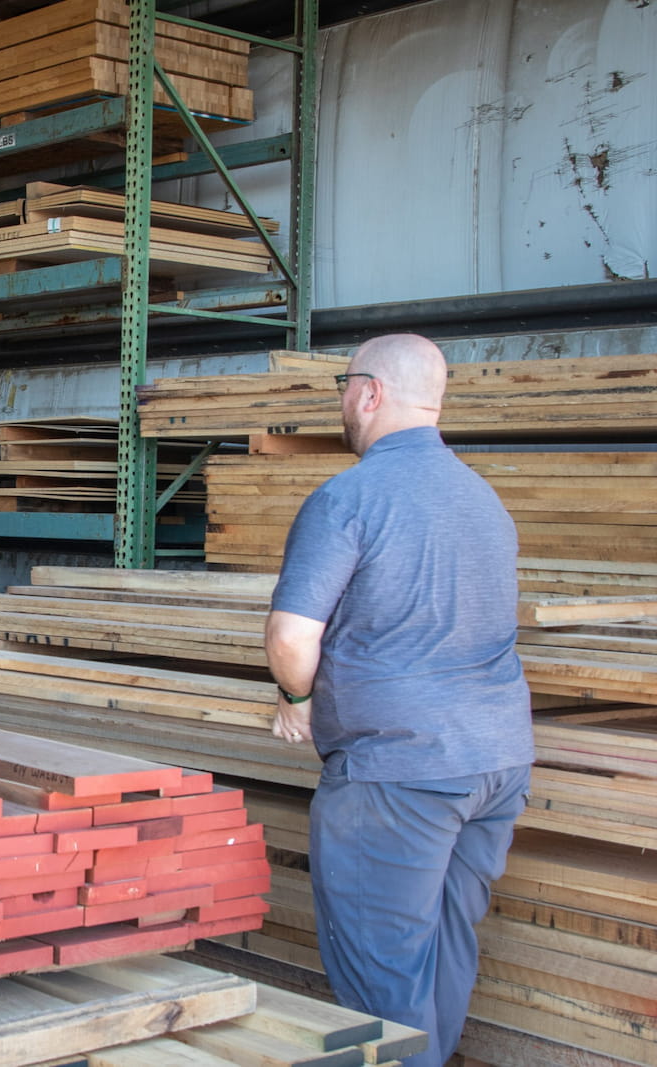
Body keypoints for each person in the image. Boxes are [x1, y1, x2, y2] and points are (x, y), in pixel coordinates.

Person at [263, 333, 534, 1067]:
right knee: (442, 954)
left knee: (383, 980)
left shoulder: (350, 497)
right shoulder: (484, 498)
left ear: (371, 392)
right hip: (498, 763)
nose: (342, 404)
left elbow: (291, 634)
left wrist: (295, 695)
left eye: (345, 387)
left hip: (397, 773)